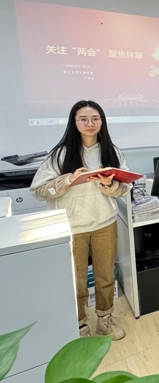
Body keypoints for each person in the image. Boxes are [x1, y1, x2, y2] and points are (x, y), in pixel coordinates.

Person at [30, 100, 131, 339]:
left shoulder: (112, 151)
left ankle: (104, 320)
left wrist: (109, 185)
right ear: (74, 123)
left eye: (95, 118)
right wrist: (68, 180)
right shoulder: (61, 153)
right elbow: (38, 190)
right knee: (76, 281)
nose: (90, 123)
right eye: (83, 119)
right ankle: (79, 325)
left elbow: (124, 188)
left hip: (105, 223)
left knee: (105, 276)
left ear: (102, 122)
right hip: (72, 227)